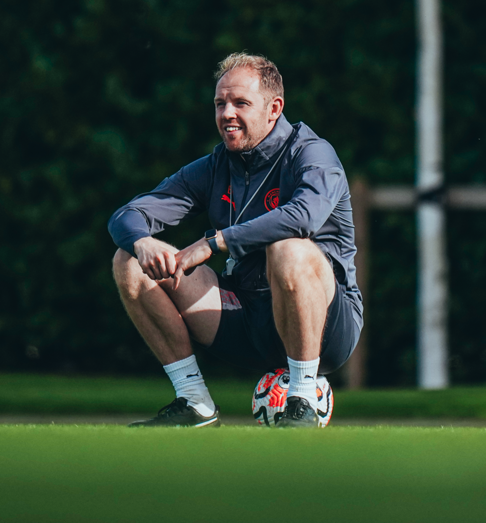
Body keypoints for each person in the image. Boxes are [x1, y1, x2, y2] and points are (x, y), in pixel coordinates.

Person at [108, 53, 363, 428]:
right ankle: (194, 402)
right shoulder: (215, 166)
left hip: (327, 328)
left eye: (240, 103)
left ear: (274, 108)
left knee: (289, 248)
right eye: (219, 104)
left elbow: (303, 216)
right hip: (247, 319)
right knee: (127, 260)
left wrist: (215, 243)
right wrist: (143, 242)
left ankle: (304, 399)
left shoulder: (312, 153)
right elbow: (127, 215)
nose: (227, 113)